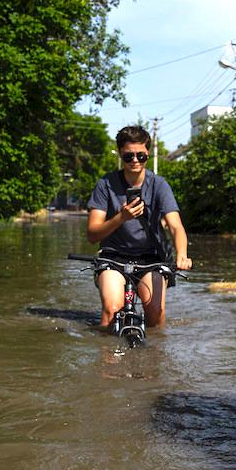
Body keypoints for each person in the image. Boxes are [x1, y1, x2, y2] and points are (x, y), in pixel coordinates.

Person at [86, 126, 192, 329]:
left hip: (151, 258)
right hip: (113, 256)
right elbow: (92, 234)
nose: (135, 161)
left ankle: (155, 356)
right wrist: (121, 218)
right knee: (112, 309)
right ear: (120, 154)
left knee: (155, 311)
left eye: (141, 156)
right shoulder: (105, 185)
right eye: (129, 156)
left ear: (148, 154)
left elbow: (176, 226)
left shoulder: (159, 185)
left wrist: (182, 254)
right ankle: (107, 357)